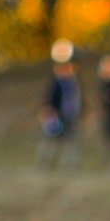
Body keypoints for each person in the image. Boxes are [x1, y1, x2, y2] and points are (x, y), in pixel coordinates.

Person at [38, 39, 82, 170]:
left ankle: (70, 165)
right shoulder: (56, 81)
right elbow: (50, 97)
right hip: (56, 114)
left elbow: (77, 97)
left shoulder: (74, 81)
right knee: (51, 141)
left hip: (70, 114)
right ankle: (45, 165)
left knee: (71, 141)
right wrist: (49, 111)